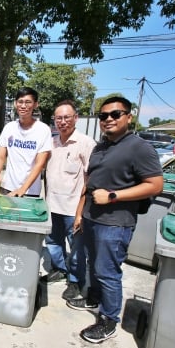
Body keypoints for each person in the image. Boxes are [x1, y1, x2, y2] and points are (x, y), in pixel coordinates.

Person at [66, 96, 163, 344]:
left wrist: (113, 196)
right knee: (94, 265)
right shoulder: (101, 146)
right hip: (91, 217)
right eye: (103, 116)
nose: (108, 119)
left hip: (116, 222)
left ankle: (108, 320)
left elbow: (155, 185)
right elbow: (89, 184)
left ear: (128, 117)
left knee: (107, 271)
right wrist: (80, 212)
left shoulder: (139, 147)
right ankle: (94, 299)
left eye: (115, 114)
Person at [41, 100, 96, 303]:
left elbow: (90, 179)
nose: (62, 121)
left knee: (76, 249)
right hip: (51, 205)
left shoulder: (86, 143)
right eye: (58, 118)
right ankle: (59, 270)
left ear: (76, 118)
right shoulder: (52, 143)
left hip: (73, 208)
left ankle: (75, 280)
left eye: (67, 117)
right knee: (53, 242)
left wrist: (81, 212)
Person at [0, 87, 51, 197]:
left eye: (28, 102)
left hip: (30, 191)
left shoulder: (43, 130)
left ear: (36, 104)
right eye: (20, 102)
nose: (23, 106)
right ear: (15, 103)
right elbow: (1, 156)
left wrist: (23, 189)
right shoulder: (9, 127)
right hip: (7, 188)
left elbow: (40, 163)